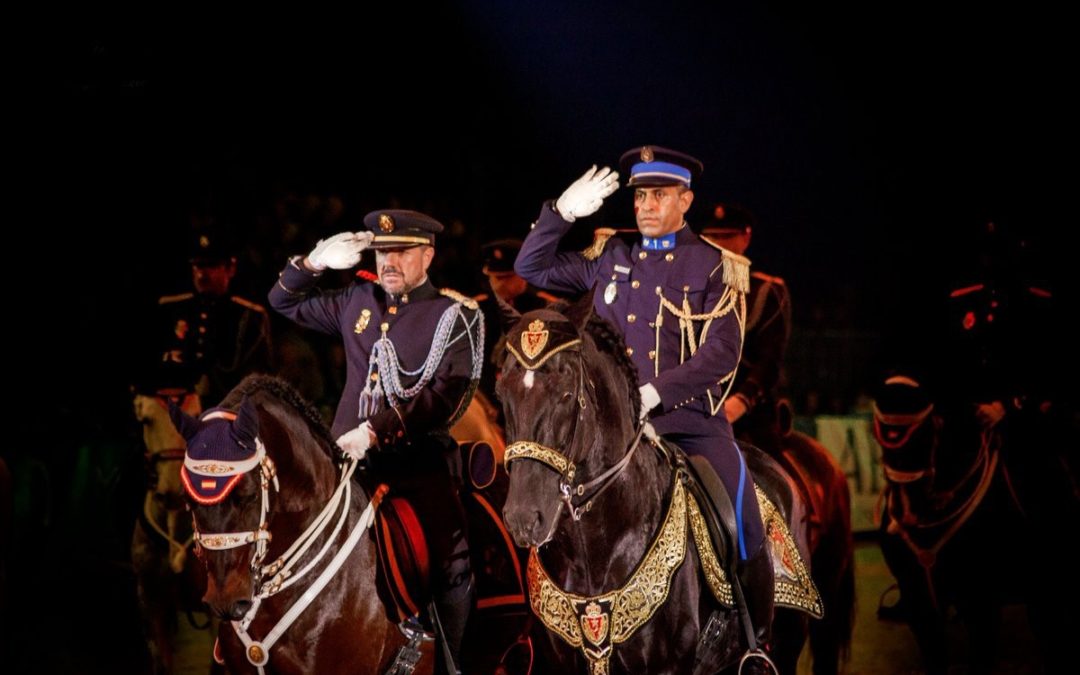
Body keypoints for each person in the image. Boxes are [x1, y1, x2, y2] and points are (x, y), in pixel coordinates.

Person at [514, 146, 774, 662]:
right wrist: (561, 214)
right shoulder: (611, 255)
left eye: (659, 195)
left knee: (743, 522)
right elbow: (531, 268)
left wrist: (655, 394)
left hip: (687, 423)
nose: (646, 205)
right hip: (611, 432)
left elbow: (722, 352)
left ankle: (753, 641)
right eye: (640, 196)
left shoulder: (714, 265)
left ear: (685, 200)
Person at [267, 209, 483, 673]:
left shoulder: (452, 316)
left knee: (452, 561)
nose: (389, 261)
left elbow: (444, 396)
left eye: (402, 252)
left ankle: (453, 663)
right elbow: (282, 301)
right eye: (383, 251)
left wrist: (376, 431)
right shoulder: (357, 299)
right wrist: (313, 262)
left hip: (413, 465)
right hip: (345, 465)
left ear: (428, 255)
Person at [137, 229, 273, 408]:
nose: (202, 275)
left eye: (211, 266)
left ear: (230, 268)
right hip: (173, 409)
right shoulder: (170, 309)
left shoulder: (249, 317)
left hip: (227, 411)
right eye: (198, 266)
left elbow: (258, 377)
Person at [701, 203, 792, 455]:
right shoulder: (686, 291)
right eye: (711, 237)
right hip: (696, 410)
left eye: (727, 237)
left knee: (771, 479)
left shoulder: (767, 291)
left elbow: (769, 360)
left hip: (748, 415)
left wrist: (740, 402)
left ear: (746, 238)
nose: (719, 244)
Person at [474, 239, 557, 407]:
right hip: (486, 400)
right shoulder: (474, 310)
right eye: (494, 278)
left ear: (523, 275)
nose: (498, 284)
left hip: (534, 402)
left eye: (506, 278)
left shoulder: (547, 309)